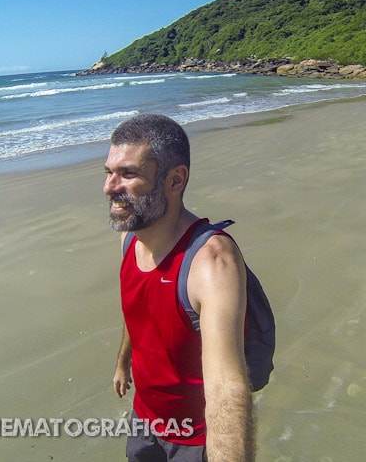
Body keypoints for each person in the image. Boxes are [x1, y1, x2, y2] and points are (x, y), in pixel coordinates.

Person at [104, 113, 254, 461]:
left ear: (175, 180)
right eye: (109, 172)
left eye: (128, 174)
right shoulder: (130, 238)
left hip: (194, 437)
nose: (109, 187)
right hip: (144, 420)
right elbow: (137, 310)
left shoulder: (212, 263)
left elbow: (227, 390)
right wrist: (122, 362)